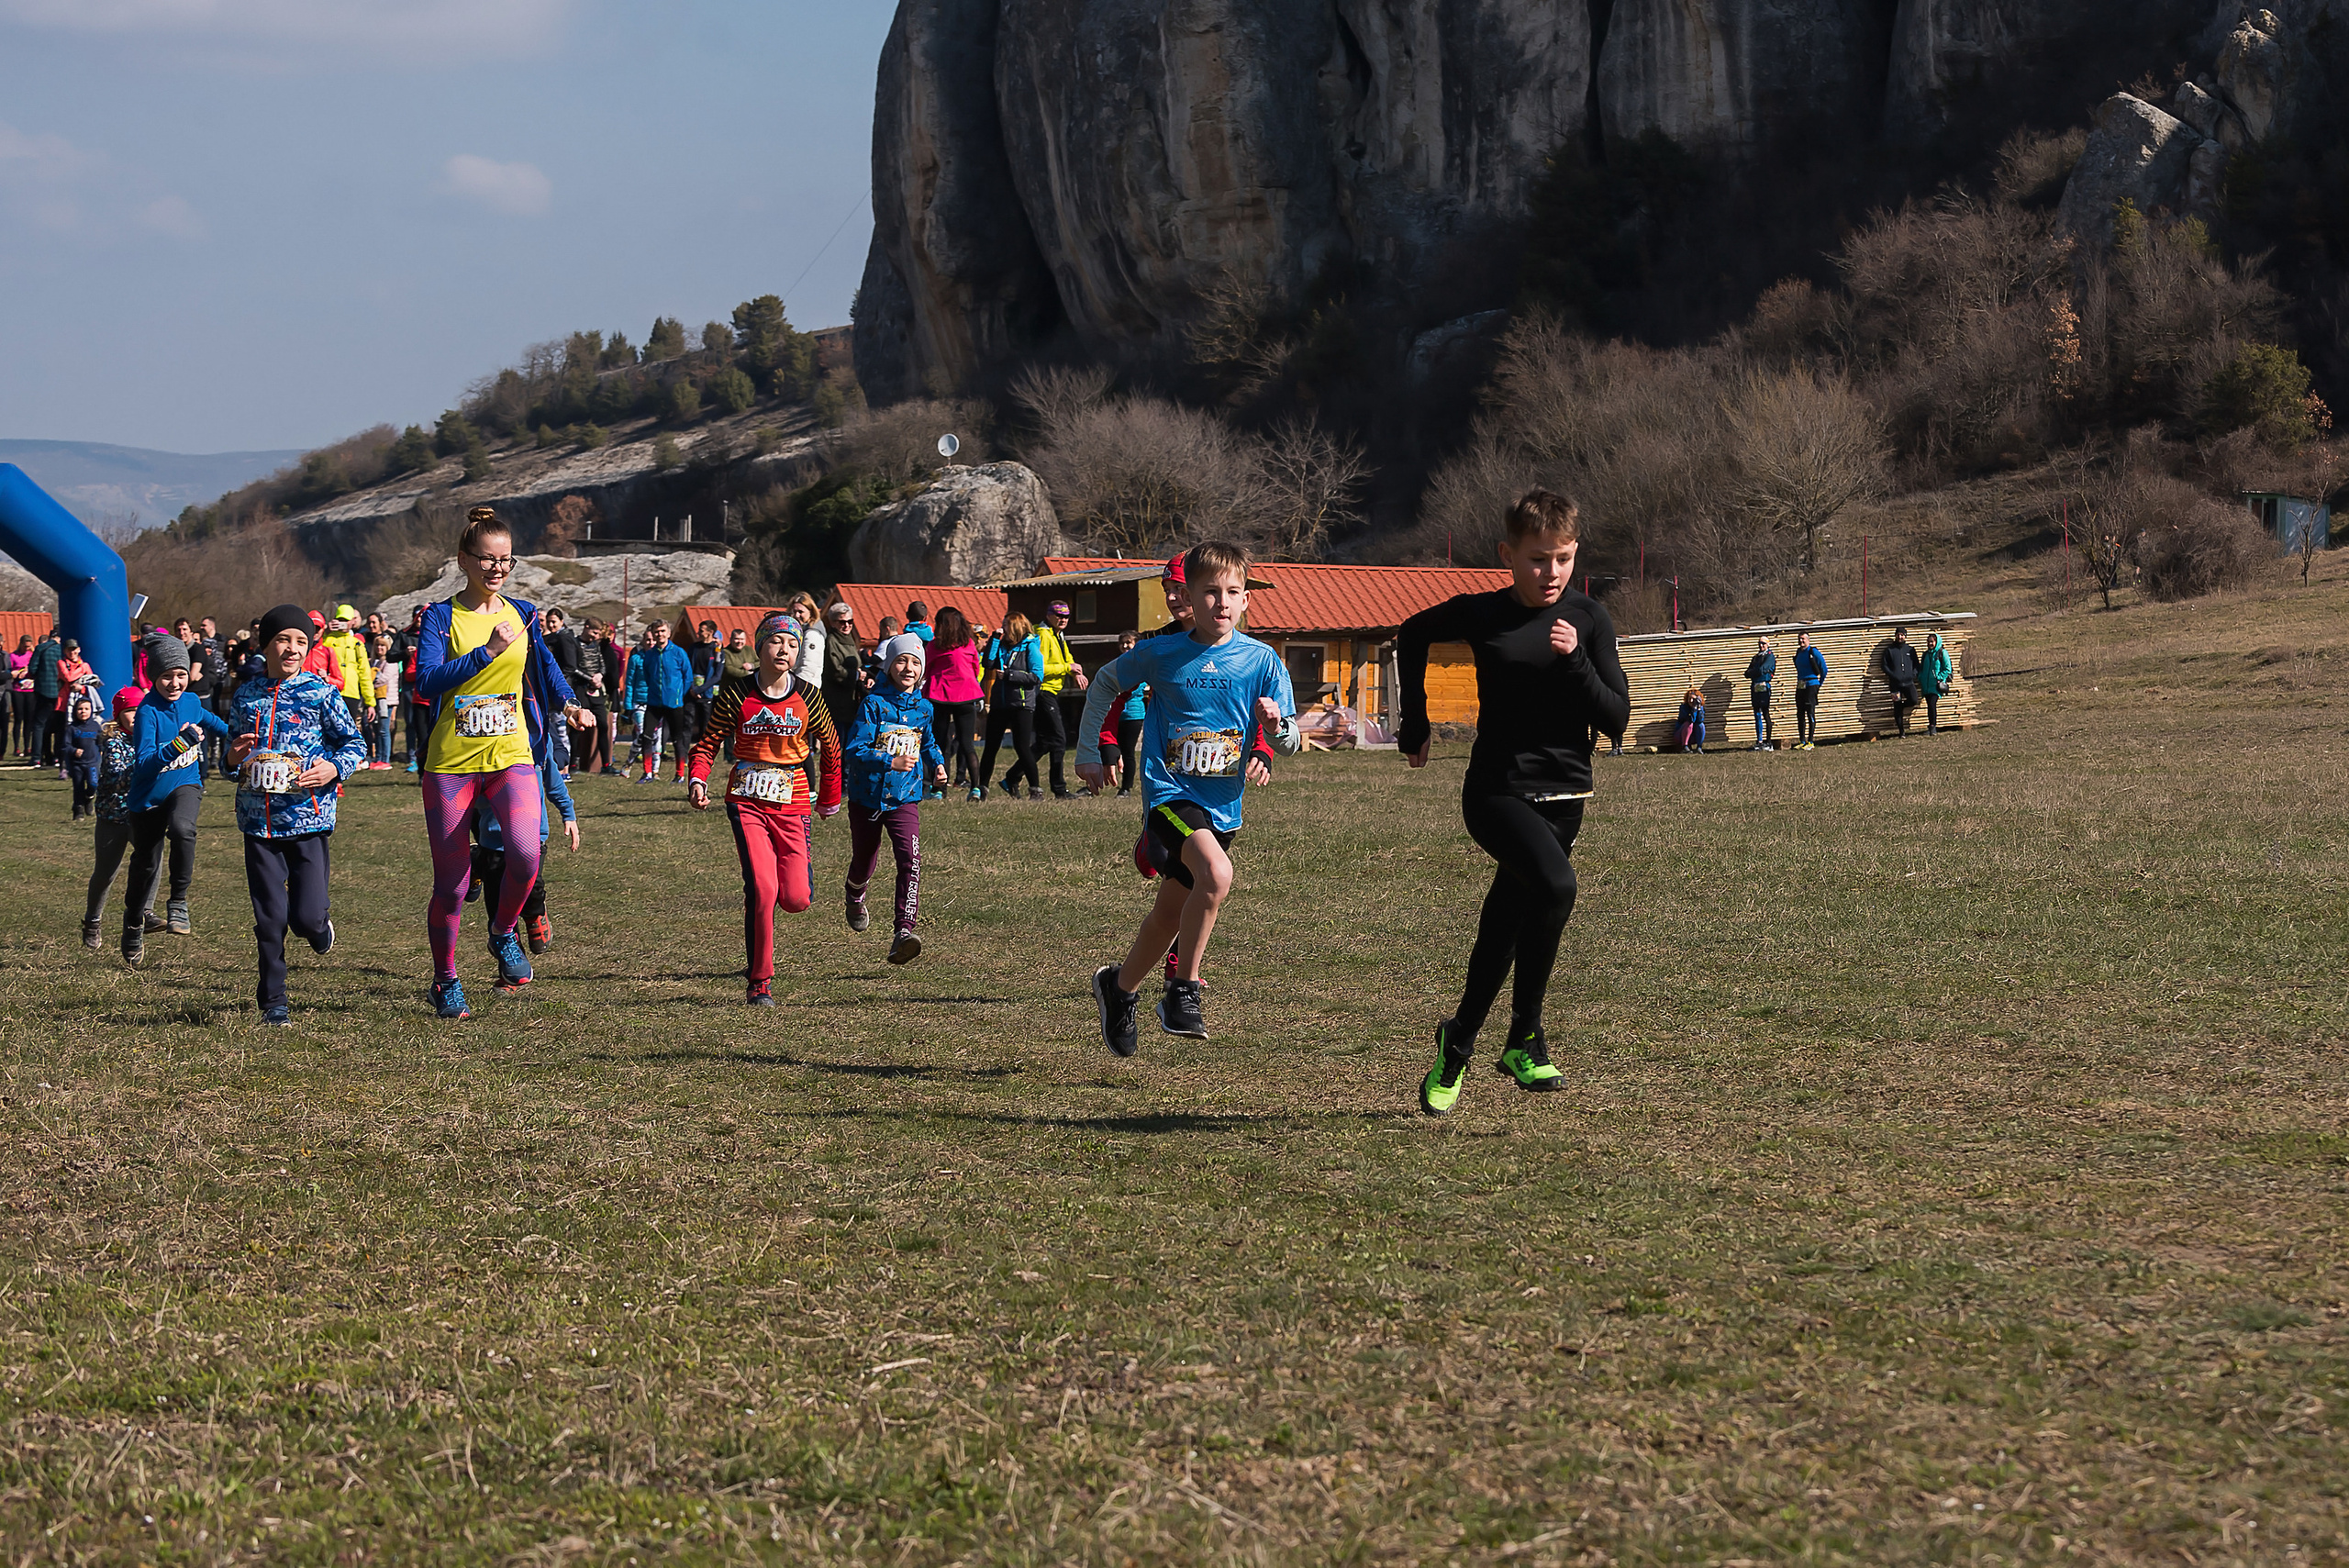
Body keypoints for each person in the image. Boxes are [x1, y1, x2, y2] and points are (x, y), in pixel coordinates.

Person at [1396, 489, 1630, 1116]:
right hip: (1496, 792)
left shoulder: (1589, 619)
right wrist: (1414, 722)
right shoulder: (1482, 612)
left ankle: (1459, 1041)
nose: (1549, 572)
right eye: (1536, 559)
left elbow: (1617, 719)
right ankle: (1526, 1032)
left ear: (1575, 554)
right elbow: (1411, 634)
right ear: (1508, 554)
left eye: (1562, 559)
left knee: (1503, 927)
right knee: (1557, 887)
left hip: (1567, 796)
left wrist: (1576, 658)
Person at [1078, 540, 1302, 1053]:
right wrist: (1090, 750)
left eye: (1232, 592)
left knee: (1168, 913)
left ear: (1246, 600)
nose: (1221, 602)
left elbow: (1291, 742)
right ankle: (1183, 989)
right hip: (1170, 795)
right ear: (1187, 597)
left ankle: (1119, 988)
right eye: (1209, 592)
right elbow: (1104, 685)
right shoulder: (1160, 654)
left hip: (1224, 804)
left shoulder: (1263, 662)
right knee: (1218, 875)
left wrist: (1275, 728)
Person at [412, 506, 590, 1019]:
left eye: (506, 561)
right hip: (452, 762)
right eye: (487, 560)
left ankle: (502, 930)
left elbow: (545, 665)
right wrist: (485, 654)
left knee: (526, 854)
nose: (497, 569)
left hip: (511, 754)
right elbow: (425, 683)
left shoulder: (523, 614)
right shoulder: (441, 617)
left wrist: (570, 704)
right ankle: (445, 980)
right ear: (464, 561)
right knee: (453, 884)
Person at [226, 604, 371, 1026]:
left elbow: (354, 744)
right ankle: (274, 1001)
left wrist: (334, 768)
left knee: (305, 917)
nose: (292, 649)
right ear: (265, 645)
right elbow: (231, 758)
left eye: (301, 642)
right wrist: (231, 757)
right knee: (270, 920)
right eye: (283, 640)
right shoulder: (246, 694)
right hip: (258, 823)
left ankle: (319, 929)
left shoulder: (321, 693)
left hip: (307, 820)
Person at [689, 613, 845, 1004]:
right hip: (746, 801)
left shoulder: (808, 695)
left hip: (793, 801)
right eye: (776, 642)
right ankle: (760, 982)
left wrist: (828, 798)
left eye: (793, 644)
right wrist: (697, 778)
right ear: (759, 647)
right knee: (762, 888)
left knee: (796, 899)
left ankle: (796, 876)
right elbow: (708, 742)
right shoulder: (738, 694)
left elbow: (831, 748)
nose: (785, 649)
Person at [121, 635, 238, 956]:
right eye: (167, 676)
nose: (175, 683)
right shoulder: (147, 712)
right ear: (154, 677)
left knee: (184, 829)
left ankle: (178, 902)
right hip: (147, 797)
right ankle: (133, 921)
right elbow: (144, 765)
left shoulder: (191, 702)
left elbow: (215, 723)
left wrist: (241, 736)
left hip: (186, 783)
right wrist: (181, 743)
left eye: (181, 675)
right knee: (145, 865)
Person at [844, 633, 947, 965]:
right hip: (867, 797)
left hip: (906, 797)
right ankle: (855, 894)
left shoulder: (925, 708)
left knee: (910, 860)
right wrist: (889, 760)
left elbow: (927, 742)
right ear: (889, 666)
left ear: (922, 670)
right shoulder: (874, 704)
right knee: (865, 860)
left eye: (915, 662)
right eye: (901, 660)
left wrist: (939, 764)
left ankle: (904, 931)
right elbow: (854, 750)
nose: (908, 667)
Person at [469, 693, 580, 955]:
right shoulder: (479, 737)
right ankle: (509, 966)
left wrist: (568, 813)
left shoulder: (535, 734)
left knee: (531, 886)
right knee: (497, 908)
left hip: (532, 832)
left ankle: (535, 913)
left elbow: (552, 777)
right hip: (493, 836)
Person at [82, 686, 148, 950]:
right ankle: (92, 920)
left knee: (151, 865)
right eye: (130, 711)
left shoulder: (151, 736)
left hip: (143, 814)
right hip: (114, 815)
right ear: (119, 715)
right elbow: (118, 776)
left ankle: (143, 918)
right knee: (106, 873)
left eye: (140, 710)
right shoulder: (112, 740)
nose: (136, 716)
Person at [974, 611, 1041, 798]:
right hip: (999, 704)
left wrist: (1010, 675)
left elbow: (1036, 677)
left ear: (1015, 628)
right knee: (991, 747)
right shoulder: (1001, 645)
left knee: (1022, 747)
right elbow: (987, 663)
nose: (1002, 628)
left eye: (1005, 625)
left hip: (1021, 705)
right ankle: (982, 788)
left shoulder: (1030, 647)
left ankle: (1035, 789)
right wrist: (995, 639)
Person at [925, 606, 985, 799]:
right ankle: (976, 787)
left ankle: (939, 789)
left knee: (942, 745)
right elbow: (976, 668)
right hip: (967, 695)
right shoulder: (968, 644)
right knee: (968, 744)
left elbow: (926, 669)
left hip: (939, 695)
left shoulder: (934, 646)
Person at [1033, 599, 1089, 799]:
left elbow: (1067, 659)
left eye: (1066, 616)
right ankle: (1059, 789)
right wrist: (1068, 669)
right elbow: (1038, 668)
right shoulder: (1042, 635)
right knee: (1059, 740)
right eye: (1059, 615)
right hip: (1043, 692)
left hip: (1053, 692)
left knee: (1044, 743)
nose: (1063, 619)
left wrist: (1075, 671)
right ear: (1048, 615)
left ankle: (1012, 778)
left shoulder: (1057, 635)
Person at [626, 618, 693, 783]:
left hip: (674, 703)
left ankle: (680, 774)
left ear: (668, 633)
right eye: (657, 632)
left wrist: (678, 694)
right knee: (647, 736)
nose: (660, 634)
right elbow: (648, 676)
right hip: (654, 703)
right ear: (653, 634)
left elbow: (688, 677)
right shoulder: (649, 655)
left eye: (663, 631)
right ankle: (648, 773)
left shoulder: (679, 652)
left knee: (677, 740)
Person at [1101, 629, 1147, 796]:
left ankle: (1126, 787)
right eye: (1122, 642)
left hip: (1133, 715)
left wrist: (1118, 690)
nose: (1125, 645)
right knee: (1112, 749)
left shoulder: (1141, 664)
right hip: (1115, 715)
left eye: (1129, 642)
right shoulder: (1117, 663)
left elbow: (1139, 686)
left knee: (1128, 751)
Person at [320, 604, 375, 735]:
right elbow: (314, 650)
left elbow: (365, 674)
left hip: (351, 693)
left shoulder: (357, 643)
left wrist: (370, 702)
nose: (343, 623)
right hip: (330, 690)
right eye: (340, 620)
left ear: (353, 621)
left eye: (346, 620)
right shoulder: (327, 639)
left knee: (348, 731)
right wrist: (325, 631)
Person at [568, 616, 613, 775]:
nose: (596, 636)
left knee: (603, 724)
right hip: (581, 688)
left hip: (596, 690)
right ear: (586, 627)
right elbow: (573, 668)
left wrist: (600, 675)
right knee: (577, 726)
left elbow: (602, 664)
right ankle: (573, 764)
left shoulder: (595, 645)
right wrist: (590, 679)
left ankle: (606, 764)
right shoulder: (575, 643)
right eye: (594, 632)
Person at [820, 600, 867, 737]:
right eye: (842, 622)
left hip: (851, 701)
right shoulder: (832, 641)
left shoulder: (850, 639)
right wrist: (856, 676)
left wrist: (866, 676)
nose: (847, 625)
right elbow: (834, 670)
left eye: (850, 621)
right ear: (833, 623)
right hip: (837, 702)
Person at [684, 617, 723, 760]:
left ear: (710, 632)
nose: (698, 633)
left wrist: (700, 690)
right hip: (691, 692)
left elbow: (717, 675)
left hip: (706, 694)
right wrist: (692, 689)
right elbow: (687, 669)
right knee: (687, 723)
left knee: (705, 726)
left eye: (701, 630)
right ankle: (683, 755)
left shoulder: (717, 650)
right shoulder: (693, 648)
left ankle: (703, 755)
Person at [28, 627, 62, 767]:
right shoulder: (63, 650)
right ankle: (57, 757)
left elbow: (32, 669)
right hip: (60, 692)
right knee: (59, 726)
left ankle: (36, 757)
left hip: (43, 691)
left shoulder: (41, 648)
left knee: (39, 725)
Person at [1881, 626, 1922, 736]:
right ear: (1895, 636)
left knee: (1913, 700)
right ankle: (1901, 731)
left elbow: (1916, 665)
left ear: (1905, 636)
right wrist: (1892, 675)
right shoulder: (1889, 650)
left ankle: (1902, 706)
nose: (1900, 637)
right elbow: (1884, 666)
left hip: (1909, 683)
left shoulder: (1910, 650)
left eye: (1902, 635)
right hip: (1895, 685)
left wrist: (1913, 675)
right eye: (1898, 634)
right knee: (1897, 706)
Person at [64, 695, 101, 819]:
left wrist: (103, 751)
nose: (83, 712)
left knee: (93, 784)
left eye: (86, 709)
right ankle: (78, 809)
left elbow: (101, 742)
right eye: (80, 709)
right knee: (78, 787)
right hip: (77, 764)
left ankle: (88, 799)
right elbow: (65, 746)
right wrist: (73, 751)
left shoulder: (95, 726)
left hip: (92, 763)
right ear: (75, 711)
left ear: (91, 710)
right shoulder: (72, 728)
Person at [1792, 631, 1826, 750]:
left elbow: (1824, 669)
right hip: (1801, 684)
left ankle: (1811, 742)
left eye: (1803, 639)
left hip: (1811, 684)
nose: (1801, 641)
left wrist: (1818, 684)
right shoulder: (1798, 653)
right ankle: (1802, 740)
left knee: (1810, 712)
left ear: (1808, 640)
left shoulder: (1813, 652)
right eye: (1799, 639)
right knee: (1800, 713)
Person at [371, 634, 401, 769]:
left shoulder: (391, 662)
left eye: (382, 645)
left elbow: (383, 679)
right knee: (377, 729)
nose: (379, 648)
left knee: (384, 729)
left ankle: (386, 759)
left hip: (387, 699)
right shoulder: (375, 661)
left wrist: (369, 682)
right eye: (377, 645)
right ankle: (379, 757)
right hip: (376, 698)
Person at [1743, 636, 1776, 751]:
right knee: (1757, 713)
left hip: (1764, 686)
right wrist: (1753, 672)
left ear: (1768, 644)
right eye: (1760, 644)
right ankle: (1759, 741)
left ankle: (1769, 742)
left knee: (1765, 713)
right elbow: (1747, 673)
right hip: (1755, 687)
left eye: (1763, 644)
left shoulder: (1770, 656)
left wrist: (1753, 672)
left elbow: (1762, 669)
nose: (1761, 646)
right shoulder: (1756, 657)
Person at [1920, 631, 1954, 735]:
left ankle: (1933, 727)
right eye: (1929, 642)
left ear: (1936, 642)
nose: (1930, 644)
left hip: (1935, 685)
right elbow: (1921, 668)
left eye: (1932, 642)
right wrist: (1920, 677)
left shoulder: (1942, 653)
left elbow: (1948, 669)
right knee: (1929, 706)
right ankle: (1931, 727)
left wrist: (1939, 677)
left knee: (1932, 705)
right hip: (1926, 685)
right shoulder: (1925, 654)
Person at [6, 634, 33, 758]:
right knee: (18, 719)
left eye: (28, 646)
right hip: (18, 690)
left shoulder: (31, 655)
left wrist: (29, 671)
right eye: (25, 646)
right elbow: (9, 671)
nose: (26, 649)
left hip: (30, 690)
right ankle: (16, 747)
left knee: (29, 720)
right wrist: (16, 674)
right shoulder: (13, 656)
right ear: (21, 644)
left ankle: (28, 746)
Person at [1676, 686, 1707, 754]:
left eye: (1693, 699)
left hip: (1694, 735)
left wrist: (1698, 708)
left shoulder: (1700, 708)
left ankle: (1699, 747)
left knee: (1701, 725)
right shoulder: (1683, 708)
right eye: (1689, 699)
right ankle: (1685, 746)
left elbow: (1700, 720)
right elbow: (1691, 719)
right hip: (1681, 735)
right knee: (1689, 724)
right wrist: (1694, 709)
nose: (1691, 701)